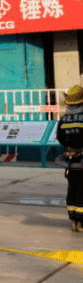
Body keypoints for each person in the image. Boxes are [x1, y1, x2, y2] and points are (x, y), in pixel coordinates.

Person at [55, 85, 83, 232]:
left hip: (70, 160)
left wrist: (69, 148)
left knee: (72, 188)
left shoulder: (64, 119)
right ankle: (81, 221)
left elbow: (60, 137)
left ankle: (73, 219)